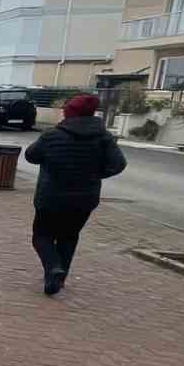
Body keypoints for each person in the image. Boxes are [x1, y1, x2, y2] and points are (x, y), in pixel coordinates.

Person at [23, 94, 126, 296]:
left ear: (69, 113)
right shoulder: (103, 137)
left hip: (51, 196)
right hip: (84, 198)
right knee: (69, 237)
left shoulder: (52, 135)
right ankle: (58, 278)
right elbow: (118, 164)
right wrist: (96, 174)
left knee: (41, 236)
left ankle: (53, 268)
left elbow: (31, 155)